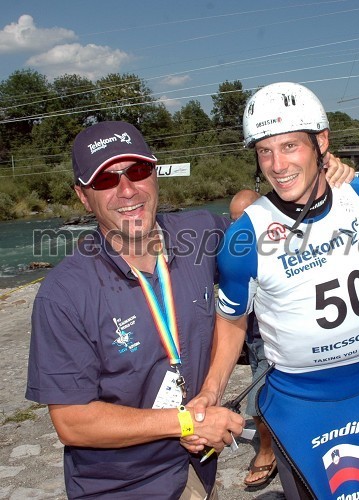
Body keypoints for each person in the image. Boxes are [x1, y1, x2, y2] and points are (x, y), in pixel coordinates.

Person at [190, 83, 359, 499]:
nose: (277, 164)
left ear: (321, 142)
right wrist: (211, 391)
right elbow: (233, 318)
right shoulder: (244, 236)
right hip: (299, 407)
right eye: (265, 151)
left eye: (290, 146)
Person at [25, 120, 246, 499]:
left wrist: (329, 179)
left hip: (196, 470)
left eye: (138, 171)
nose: (127, 190)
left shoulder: (204, 232)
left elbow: (267, 224)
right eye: (106, 180)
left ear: (155, 175)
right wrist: (187, 422)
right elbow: (73, 423)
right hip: (119, 486)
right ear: (82, 196)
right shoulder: (63, 294)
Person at [229, 189, 277, 489]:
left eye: (241, 220)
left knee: (257, 401)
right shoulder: (234, 248)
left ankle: (267, 451)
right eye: (231, 221)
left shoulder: (276, 244)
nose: (235, 228)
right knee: (266, 393)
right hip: (251, 338)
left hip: (274, 340)